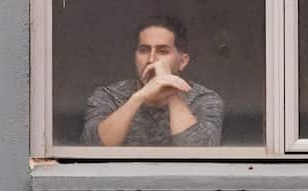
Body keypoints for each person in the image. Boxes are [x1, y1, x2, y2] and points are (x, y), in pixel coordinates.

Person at [80, 16, 223, 146]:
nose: (151, 59)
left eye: (163, 51)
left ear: (182, 61)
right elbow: (91, 148)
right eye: (144, 50)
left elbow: (201, 153)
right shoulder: (109, 96)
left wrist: (171, 92)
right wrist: (139, 97)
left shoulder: (204, 99)